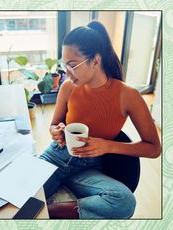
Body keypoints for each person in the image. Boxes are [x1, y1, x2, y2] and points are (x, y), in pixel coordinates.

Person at [39, 20, 161, 219]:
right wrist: (55, 131)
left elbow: (154, 148)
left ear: (95, 60)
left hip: (88, 168)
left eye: (72, 66)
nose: (66, 73)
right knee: (19, 196)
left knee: (124, 201)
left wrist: (107, 146)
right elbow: (54, 124)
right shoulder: (68, 87)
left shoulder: (128, 96)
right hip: (56, 156)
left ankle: (47, 213)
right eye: (64, 65)